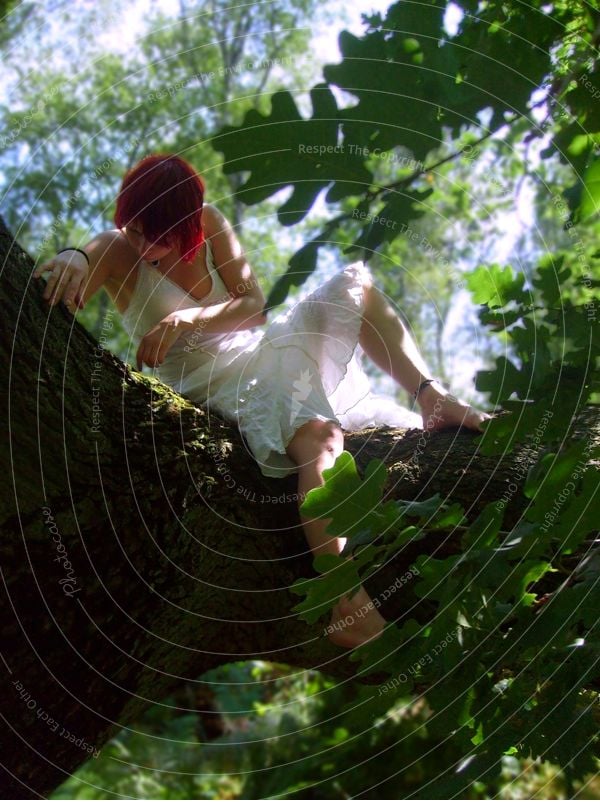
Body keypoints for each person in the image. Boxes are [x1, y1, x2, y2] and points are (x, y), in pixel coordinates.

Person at [34, 153, 488, 649]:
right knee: (320, 437)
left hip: (262, 350)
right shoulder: (120, 250)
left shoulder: (210, 223)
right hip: (215, 385)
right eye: (134, 230)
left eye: (156, 236)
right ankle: (347, 598)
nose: (143, 246)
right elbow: (89, 255)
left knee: (354, 289)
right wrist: (75, 257)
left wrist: (189, 319)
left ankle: (431, 396)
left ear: (188, 224)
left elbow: (252, 308)